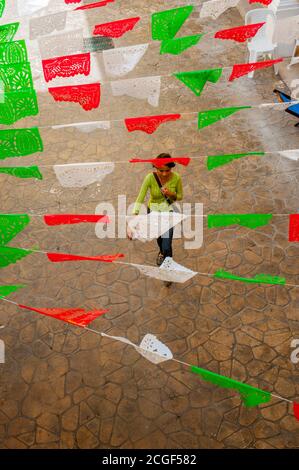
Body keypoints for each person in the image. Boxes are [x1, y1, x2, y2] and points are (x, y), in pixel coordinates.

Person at [131, 153, 183, 266]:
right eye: (161, 170)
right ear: (155, 167)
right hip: (153, 212)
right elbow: (140, 196)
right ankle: (162, 253)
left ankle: (169, 265)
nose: (164, 174)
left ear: (171, 168)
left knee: (167, 244)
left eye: (167, 170)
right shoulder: (150, 178)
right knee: (159, 239)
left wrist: (170, 193)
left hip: (168, 212)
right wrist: (135, 214)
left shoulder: (177, 178)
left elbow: (179, 196)